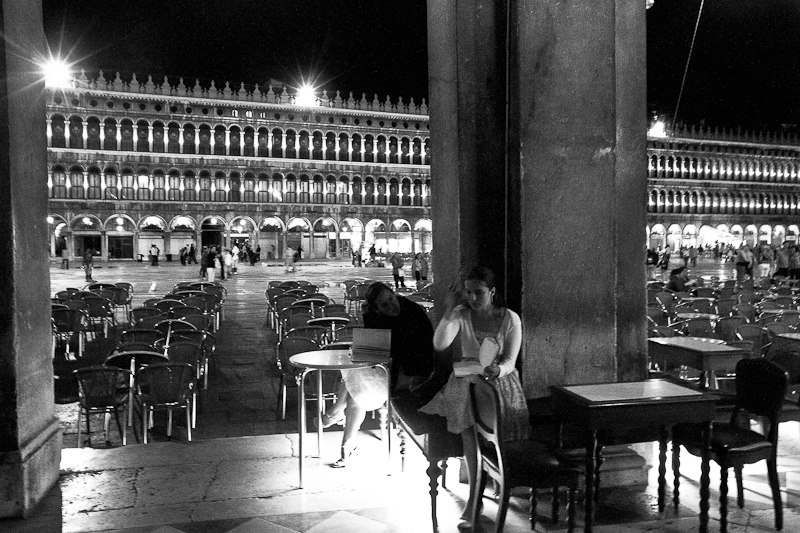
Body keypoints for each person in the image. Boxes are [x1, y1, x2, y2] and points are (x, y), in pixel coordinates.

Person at [419, 266, 529, 530]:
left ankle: (498, 483)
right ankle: (473, 500)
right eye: (468, 292)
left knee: (497, 440)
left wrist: (497, 369)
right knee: (470, 440)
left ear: (492, 292)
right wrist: (448, 309)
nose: (473, 298)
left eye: (478, 292)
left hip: (497, 383)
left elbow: (511, 361)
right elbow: (440, 344)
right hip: (466, 381)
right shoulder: (461, 314)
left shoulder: (510, 318)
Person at [318, 282, 437, 467]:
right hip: (390, 368)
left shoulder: (412, 312)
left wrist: (387, 356)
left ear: (393, 293)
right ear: (377, 308)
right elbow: (374, 345)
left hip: (411, 373)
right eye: (384, 305)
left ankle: (337, 417)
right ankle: (344, 437)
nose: (391, 306)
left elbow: (416, 353)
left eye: (391, 299)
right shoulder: (376, 315)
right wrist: (369, 318)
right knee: (357, 381)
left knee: (356, 386)